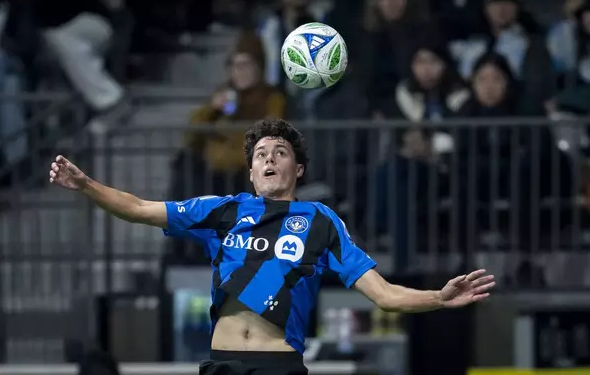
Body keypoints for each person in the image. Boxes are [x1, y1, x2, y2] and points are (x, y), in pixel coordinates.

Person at [49, 118, 495, 375]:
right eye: (261, 153)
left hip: (279, 368)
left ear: (298, 169)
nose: (268, 158)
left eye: (280, 152)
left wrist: (438, 297)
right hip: (221, 363)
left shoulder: (321, 222)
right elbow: (140, 208)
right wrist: (86, 185)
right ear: (250, 171)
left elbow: (383, 294)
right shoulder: (222, 211)